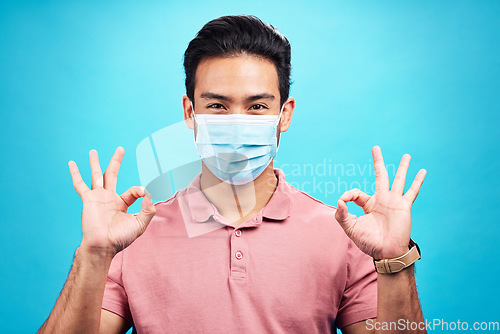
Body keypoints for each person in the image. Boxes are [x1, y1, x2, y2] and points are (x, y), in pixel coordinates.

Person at [38, 15, 428, 334]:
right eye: (218, 106)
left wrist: (395, 260)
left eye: (257, 106)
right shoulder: (134, 234)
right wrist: (94, 255)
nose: (238, 124)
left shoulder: (342, 234)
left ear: (285, 114)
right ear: (190, 113)